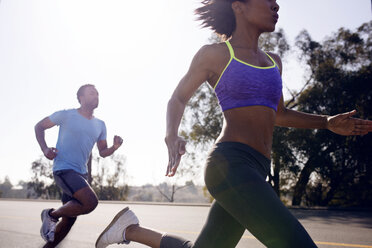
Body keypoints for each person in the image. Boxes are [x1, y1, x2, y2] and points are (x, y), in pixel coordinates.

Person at [95, 0, 372, 247]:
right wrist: (171, 134)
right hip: (230, 165)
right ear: (238, 5)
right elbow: (178, 98)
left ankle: (130, 229)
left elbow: (279, 114)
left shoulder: (274, 61)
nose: (276, 6)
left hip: (257, 168)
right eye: (268, 0)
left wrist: (326, 122)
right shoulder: (216, 54)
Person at [34, 84, 124, 248]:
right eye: (91, 93)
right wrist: (45, 149)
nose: (96, 96)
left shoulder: (100, 124)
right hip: (64, 169)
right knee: (90, 202)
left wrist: (114, 147)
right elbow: (39, 126)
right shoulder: (66, 115)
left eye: (97, 93)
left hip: (80, 174)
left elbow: (102, 151)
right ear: (80, 97)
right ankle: (51, 214)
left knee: (68, 222)